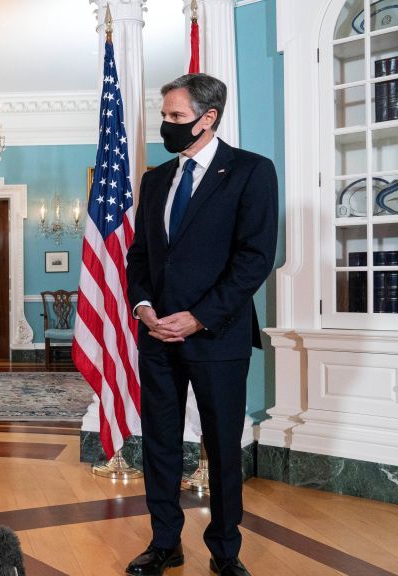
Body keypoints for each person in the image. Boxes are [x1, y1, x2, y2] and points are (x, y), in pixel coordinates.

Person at [125, 73, 277, 576]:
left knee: (223, 447)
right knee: (160, 444)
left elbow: (254, 259)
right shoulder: (155, 181)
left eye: (176, 116)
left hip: (217, 336)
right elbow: (140, 257)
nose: (166, 125)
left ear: (208, 118)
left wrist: (198, 318)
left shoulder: (251, 171)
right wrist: (143, 308)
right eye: (164, 115)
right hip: (157, 337)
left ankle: (225, 552)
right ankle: (164, 543)